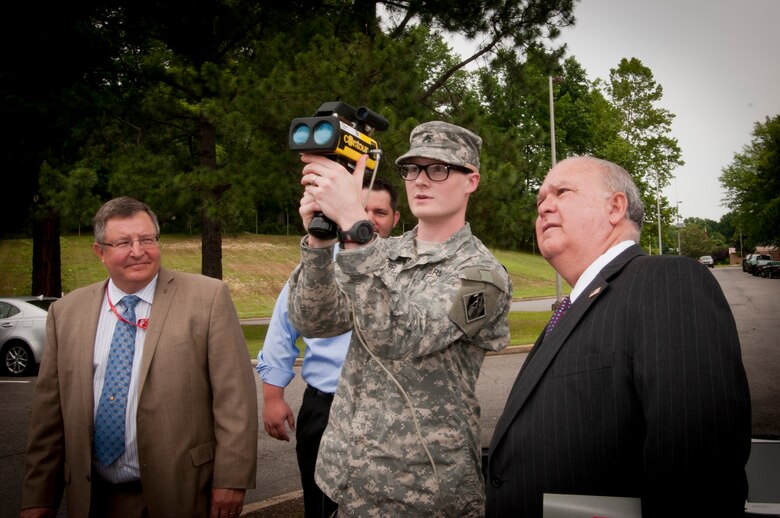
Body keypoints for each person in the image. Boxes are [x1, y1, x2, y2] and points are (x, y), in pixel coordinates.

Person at [486, 156, 752, 517]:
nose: (545, 205)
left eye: (561, 192)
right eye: (540, 201)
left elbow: (698, 472)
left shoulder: (666, 282)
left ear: (615, 207)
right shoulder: (574, 308)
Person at [286, 121, 512, 516]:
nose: (420, 181)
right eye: (412, 169)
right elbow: (316, 322)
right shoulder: (382, 252)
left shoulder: (484, 277)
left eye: (438, 169)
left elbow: (403, 337)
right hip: (347, 476)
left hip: (421, 488)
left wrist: (356, 234)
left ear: (471, 181)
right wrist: (321, 243)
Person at [20, 197, 258, 518]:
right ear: (99, 252)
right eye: (122, 242)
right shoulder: (66, 313)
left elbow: (235, 400)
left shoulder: (207, 298)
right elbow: (49, 418)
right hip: (94, 499)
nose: (137, 250)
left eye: (146, 239)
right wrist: (38, 499)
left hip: (182, 493)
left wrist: (232, 479)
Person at [257, 176, 400, 518]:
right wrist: (273, 397)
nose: (368, 218)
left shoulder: (406, 267)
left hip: (389, 412)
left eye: (379, 211)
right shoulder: (317, 264)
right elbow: (283, 325)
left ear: (395, 218)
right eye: (360, 209)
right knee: (322, 505)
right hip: (325, 409)